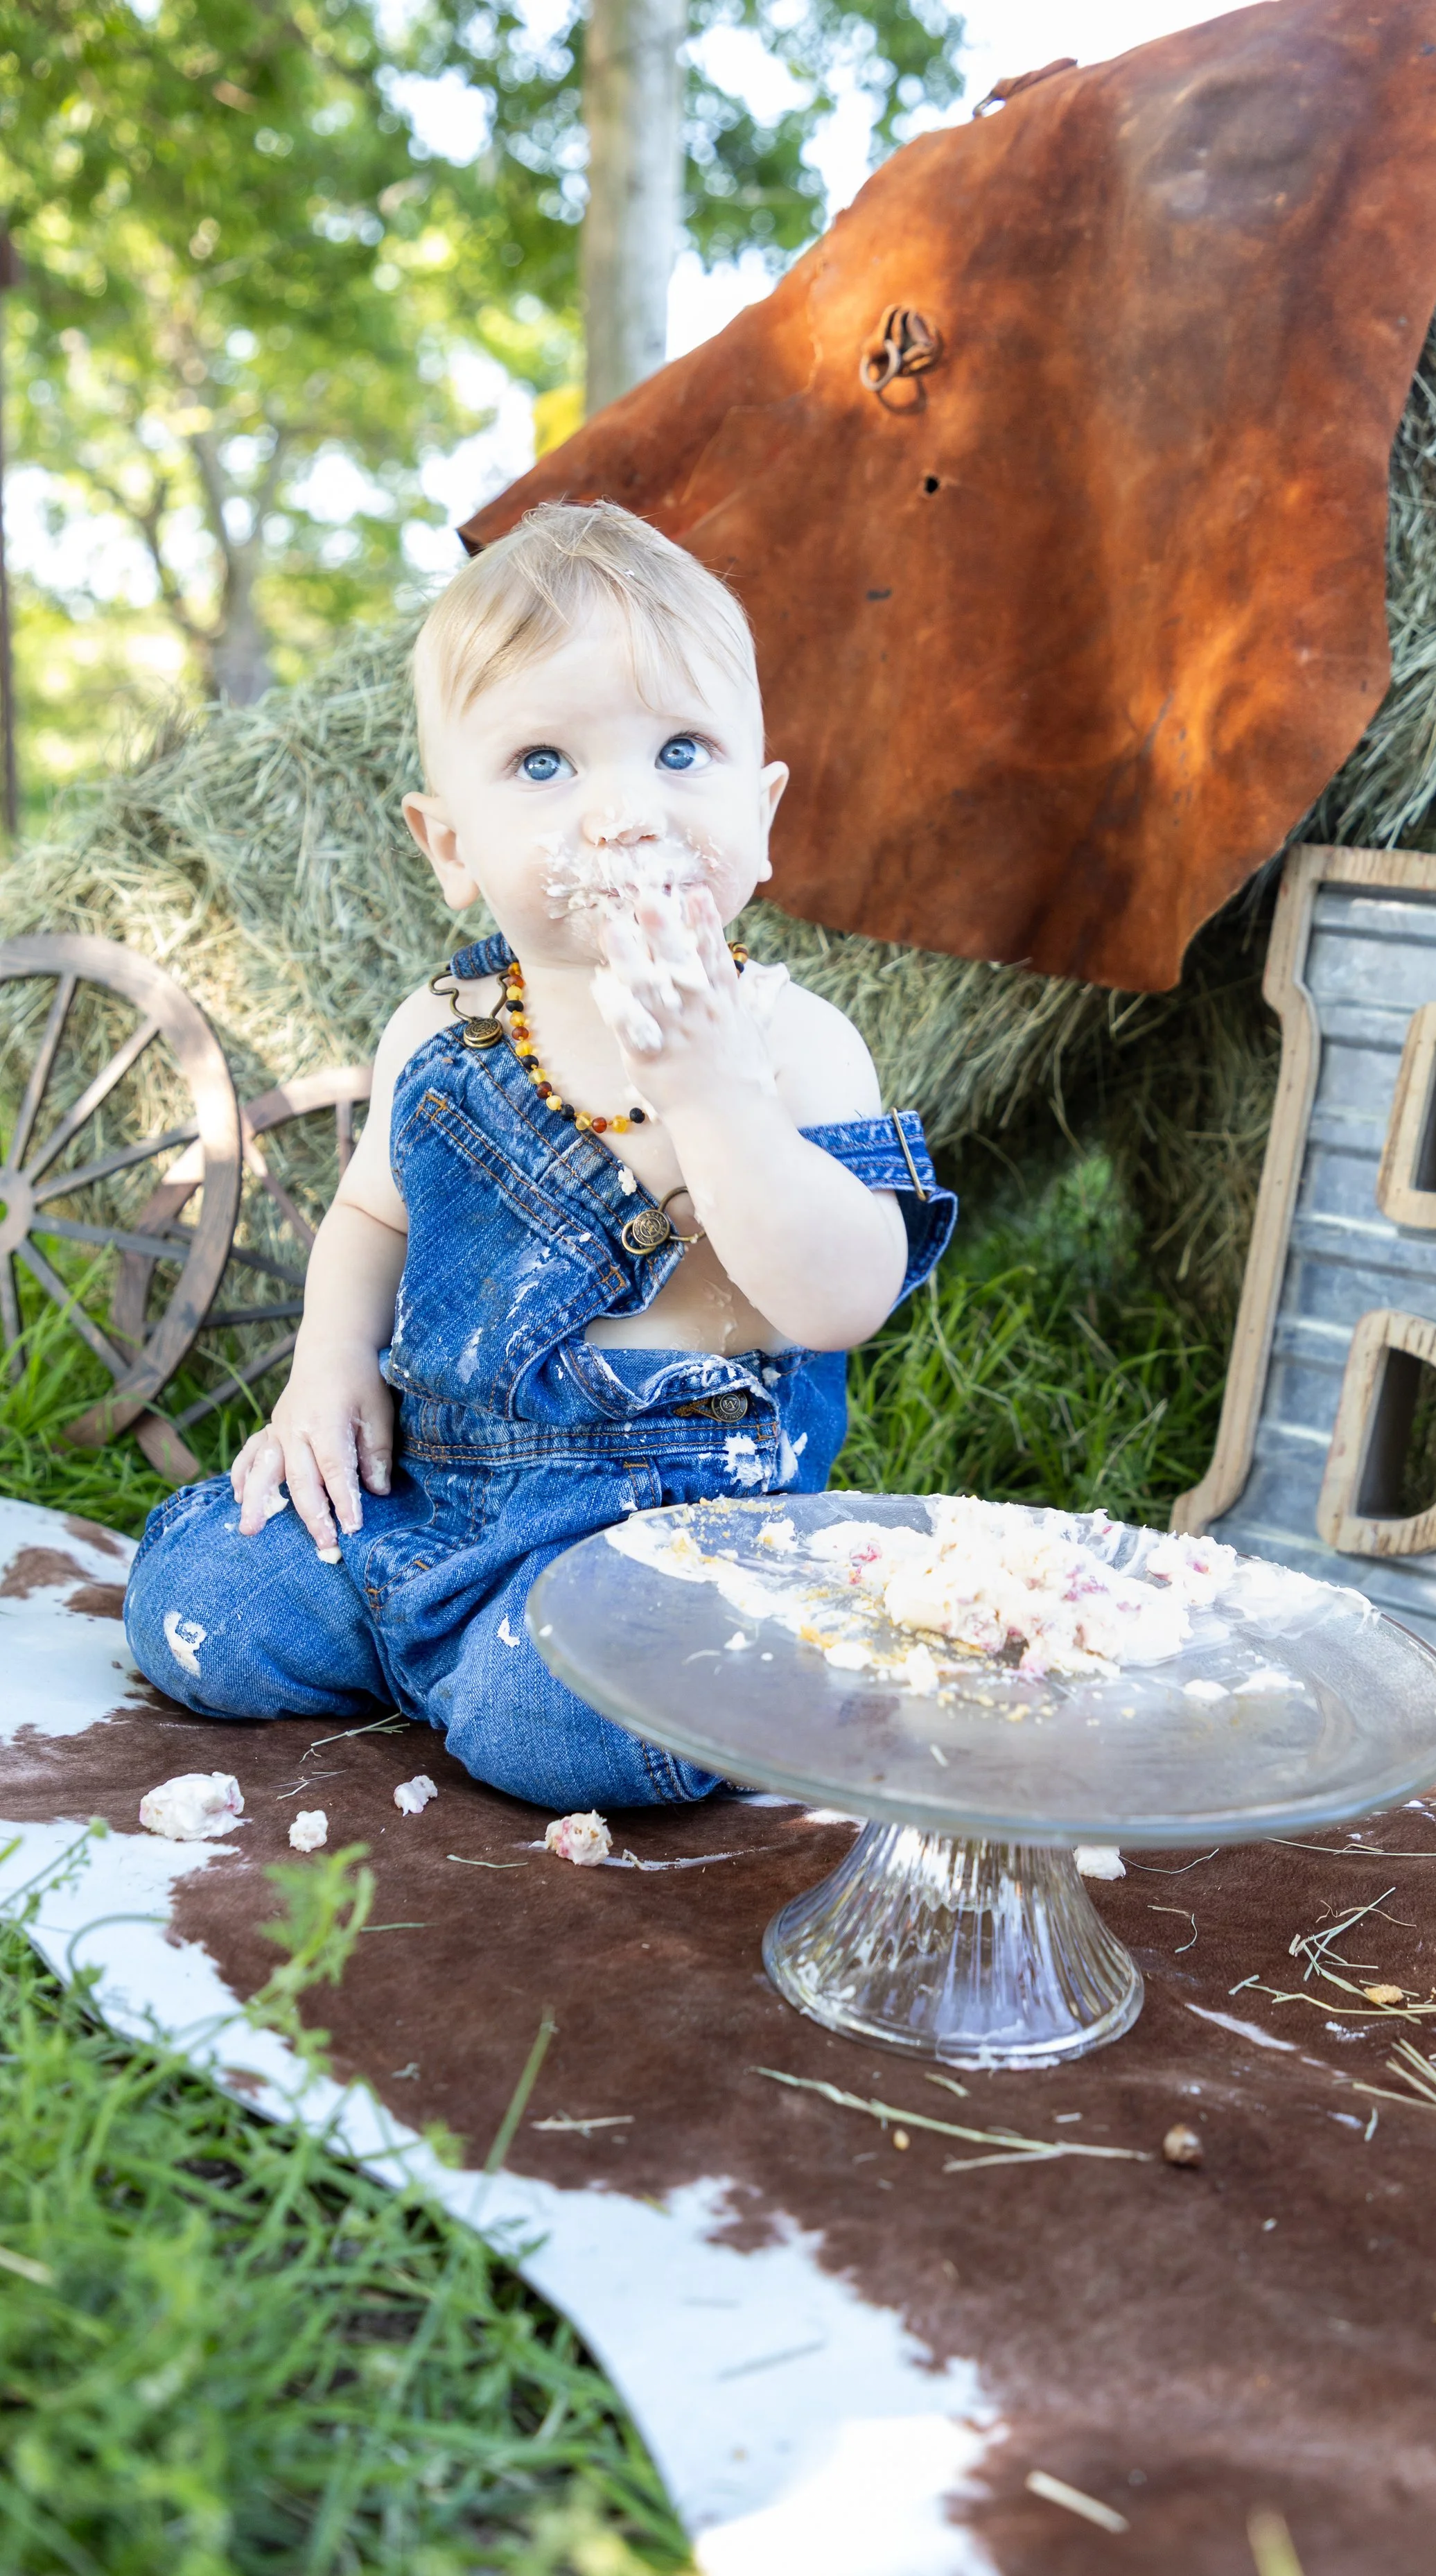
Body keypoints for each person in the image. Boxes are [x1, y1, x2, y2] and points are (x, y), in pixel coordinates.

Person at [123, 503, 954, 1811]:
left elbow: (847, 1295)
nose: (624, 811)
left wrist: (717, 1099)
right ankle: (445, 1643)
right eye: (545, 764)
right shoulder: (438, 1030)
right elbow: (368, 1217)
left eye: (682, 750)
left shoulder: (792, 1044)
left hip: (667, 1528)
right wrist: (330, 1364)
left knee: (558, 1717)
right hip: (433, 1482)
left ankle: (515, 1678)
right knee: (202, 1599)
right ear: (450, 845)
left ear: (764, 808)